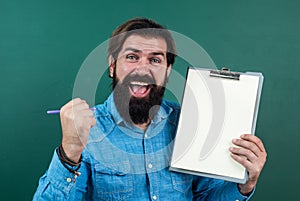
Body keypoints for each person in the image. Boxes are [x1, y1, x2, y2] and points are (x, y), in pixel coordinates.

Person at [33, 18, 267, 201]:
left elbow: (207, 197)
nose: (142, 69)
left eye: (155, 60)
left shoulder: (190, 123)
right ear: (113, 66)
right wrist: (69, 153)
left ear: (167, 70)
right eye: (132, 57)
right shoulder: (86, 131)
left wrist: (245, 184)